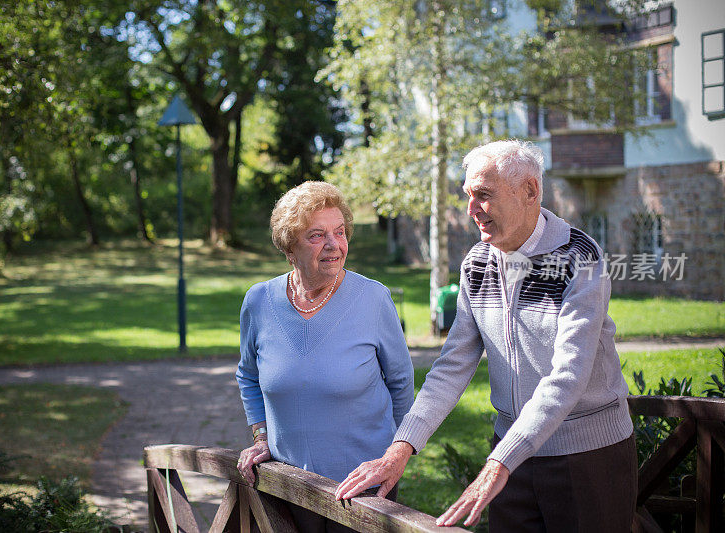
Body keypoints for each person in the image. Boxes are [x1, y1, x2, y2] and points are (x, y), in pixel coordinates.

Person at [335, 140, 637, 532]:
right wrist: (400, 448)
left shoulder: (579, 256)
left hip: (587, 455)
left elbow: (568, 377)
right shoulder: (477, 263)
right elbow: (451, 368)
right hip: (511, 456)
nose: (471, 209)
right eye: (468, 195)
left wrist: (499, 462)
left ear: (529, 191)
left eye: (483, 195)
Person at [235, 181, 415, 532]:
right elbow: (248, 375)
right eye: (316, 235)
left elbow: (401, 382)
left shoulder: (373, 299)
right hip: (284, 484)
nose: (334, 244)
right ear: (290, 247)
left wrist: (394, 457)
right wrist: (261, 437)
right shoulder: (258, 301)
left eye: (340, 232)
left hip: (361, 490)